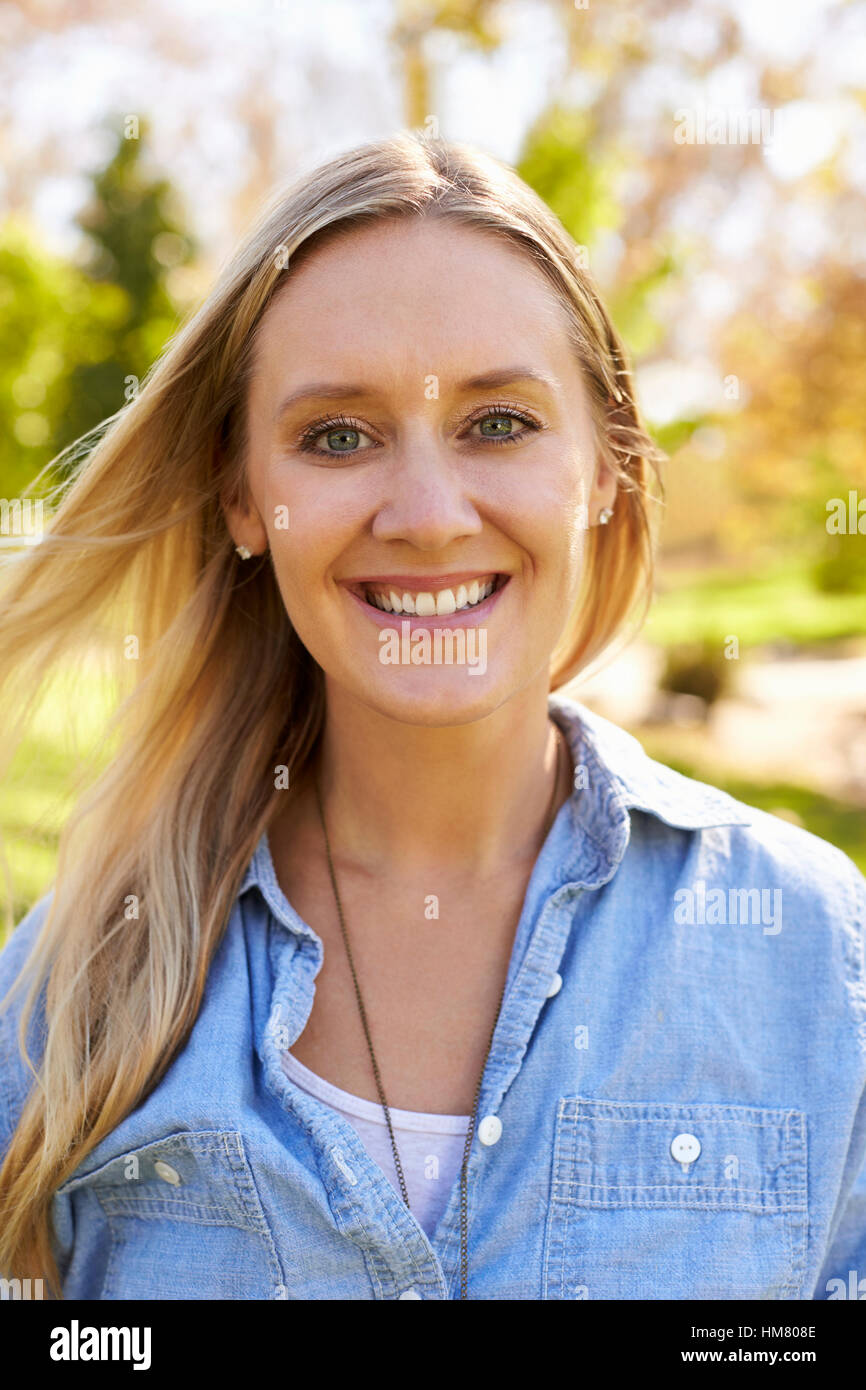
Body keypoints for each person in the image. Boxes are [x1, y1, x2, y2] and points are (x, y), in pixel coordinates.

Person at [0, 132, 863, 1301]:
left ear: (603, 466)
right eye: (337, 436)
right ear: (243, 496)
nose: (424, 512)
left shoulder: (818, 957)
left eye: (497, 422)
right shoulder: (75, 982)